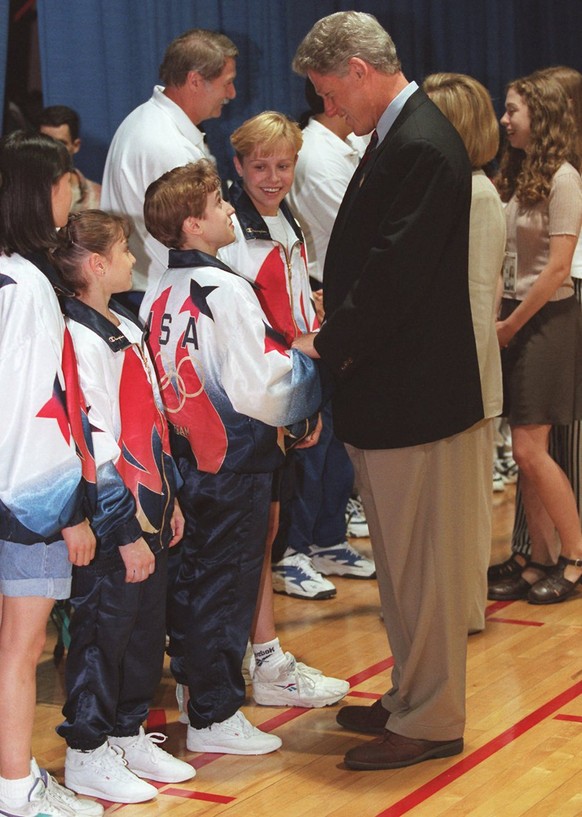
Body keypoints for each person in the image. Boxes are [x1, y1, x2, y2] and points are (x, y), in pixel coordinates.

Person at [292, 11, 485, 770]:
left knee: (425, 571)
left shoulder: (424, 144)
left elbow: (396, 275)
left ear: (360, 71)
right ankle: (411, 693)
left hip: (416, 398)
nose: (327, 107)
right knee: (403, 569)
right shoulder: (399, 136)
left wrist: (327, 344)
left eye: (328, 92)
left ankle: (434, 717)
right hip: (393, 394)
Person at [142, 160, 326, 754]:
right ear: (192, 225)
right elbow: (259, 387)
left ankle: (200, 698)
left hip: (186, 462)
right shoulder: (226, 290)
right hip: (235, 460)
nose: (229, 210)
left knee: (196, 583)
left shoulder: (159, 288)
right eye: (218, 203)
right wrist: (309, 385)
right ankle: (215, 716)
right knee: (226, 587)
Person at [50, 211, 193, 803]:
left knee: (143, 629)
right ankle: (86, 748)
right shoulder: (77, 339)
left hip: (151, 508)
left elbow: (153, 423)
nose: (135, 257)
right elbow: (95, 442)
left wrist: (171, 500)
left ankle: (127, 728)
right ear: (96, 265)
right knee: (103, 633)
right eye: (124, 250)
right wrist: (123, 528)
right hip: (117, 518)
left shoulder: (124, 327)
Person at [221, 111, 375, 606]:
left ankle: (322, 543)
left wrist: (314, 301)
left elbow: (291, 280)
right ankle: (290, 555)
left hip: (306, 352)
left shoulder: (286, 215)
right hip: (270, 368)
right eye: (261, 167)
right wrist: (284, 346)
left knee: (323, 450)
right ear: (239, 165)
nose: (273, 179)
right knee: (291, 470)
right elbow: (234, 309)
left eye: (283, 167)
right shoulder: (231, 228)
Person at [0, 132, 101, 817]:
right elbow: (32, 410)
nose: (76, 192)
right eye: (68, 181)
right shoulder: (29, 287)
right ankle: (14, 786)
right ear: (41, 191)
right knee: (24, 641)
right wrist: (64, 508)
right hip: (24, 491)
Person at [487, 72, 582, 604]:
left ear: (539, 117)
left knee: (529, 450)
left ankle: (574, 557)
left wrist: (511, 325)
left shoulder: (565, 178)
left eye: (512, 110)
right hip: (515, 316)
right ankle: (540, 557)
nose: (504, 120)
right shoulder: (520, 174)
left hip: (546, 321)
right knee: (526, 453)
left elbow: (557, 269)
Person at [422, 72, 505, 633]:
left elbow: (474, 296)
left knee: (459, 500)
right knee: (459, 500)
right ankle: (459, 607)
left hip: (462, 365)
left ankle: (458, 609)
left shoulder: (469, 193)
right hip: (467, 360)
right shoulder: (473, 189)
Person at [102, 28, 237, 303]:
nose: (232, 93)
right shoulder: (168, 145)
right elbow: (200, 234)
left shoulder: (145, 120)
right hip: (160, 295)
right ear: (196, 80)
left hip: (151, 289)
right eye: (227, 83)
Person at [38, 105, 102, 212]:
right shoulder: (22, 195)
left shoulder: (98, 197)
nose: (53, 149)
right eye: (46, 142)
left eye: (61, 144)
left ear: (75, 145)